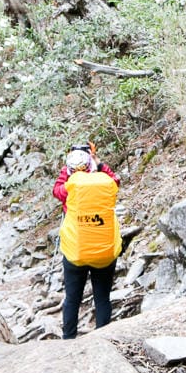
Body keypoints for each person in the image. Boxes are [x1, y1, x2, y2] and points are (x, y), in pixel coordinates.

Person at [52, 144, 121, 340]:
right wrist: (98, 163)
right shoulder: (108, 184)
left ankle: (69, 340)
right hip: (104, 249)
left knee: (72, 299)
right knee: (102, 299)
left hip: (77, 251)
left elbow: (57, 191)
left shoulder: (69, 186)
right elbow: (115, 179)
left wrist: (68, 170)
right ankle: (103, 340)